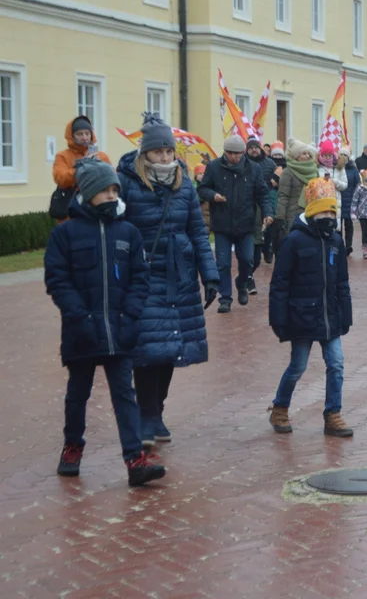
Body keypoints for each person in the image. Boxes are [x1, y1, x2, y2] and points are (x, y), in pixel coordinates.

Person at [45, 158, 166, 487]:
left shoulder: (128, 232)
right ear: (88, 192)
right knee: (77, 395)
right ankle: (72, 447)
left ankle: (134, 461)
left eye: (116, 189)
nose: (113, 194)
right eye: (105, 190)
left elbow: (140, 278)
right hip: (81, 331)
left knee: (125, 395)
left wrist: (129, 315)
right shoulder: (65, 234)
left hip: (120, 331)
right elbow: (57, 279)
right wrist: (78, 316)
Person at [117, 113, 219, 448]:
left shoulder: (184, 184)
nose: (164, 157)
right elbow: (118, 231)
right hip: (143, 276)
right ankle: (146, 417)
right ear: (145, 153)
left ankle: (157, 412)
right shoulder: (128, 183)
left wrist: (211, 275)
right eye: (158, 152)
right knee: (149, 348)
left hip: (180, 276)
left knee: (172, 346)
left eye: (168, 152)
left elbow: (198, 232)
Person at [268, 178, 353, 437]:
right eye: (325, 211)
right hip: (302, 315)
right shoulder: (294, 240)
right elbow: (279, 283)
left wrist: (345, 314)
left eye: (332, 212)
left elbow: (342, 281)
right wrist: (278, 318)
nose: (329, 216)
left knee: (336, 364)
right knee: (298, 366)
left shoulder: (336, 241)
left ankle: (333, 413)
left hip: (330, 316)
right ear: (313, 210)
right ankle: (280, 408)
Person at [197, 134, 273, 313]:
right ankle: (225, 298)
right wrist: (213, 196)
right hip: (222, 224)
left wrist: (268, 213)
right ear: (225, 152)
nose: (234, 157)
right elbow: (203, 188)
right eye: (230, 153)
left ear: (243, 152)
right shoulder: (214, 167)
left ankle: (242, 282)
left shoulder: (253, 169)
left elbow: (262, 193)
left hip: (246, 224)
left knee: (248, 259)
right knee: (223, 263)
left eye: (238, 153)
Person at [52, 116, 113, 223]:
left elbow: (114, 180)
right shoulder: (62, 156)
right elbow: (61, 179)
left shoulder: (102, 156)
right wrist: (83, 166)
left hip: (97, 209)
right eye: (80, 134)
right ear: (72, 136)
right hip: (71, 212)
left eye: (87, 133)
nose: (84, 137)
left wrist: (100, 168)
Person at [246, 138, 278, 292]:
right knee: (248, 249)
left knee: (260, 245)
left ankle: (266, 252)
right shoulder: (243, 164)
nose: (253, 150)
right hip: (246, 208)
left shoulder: (270, 164)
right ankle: (247, 278)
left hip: (264, 205)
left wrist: (272, 182)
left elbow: (275, 182)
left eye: (256, 147)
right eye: (250, 148)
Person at [276, 138, 319, 250]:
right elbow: (283, 196)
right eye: (303, 154)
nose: (307, 156)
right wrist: (280, 217)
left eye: (308, 153)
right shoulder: (288, 172)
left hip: (312, 213)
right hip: (293, 215)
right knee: (294, 246)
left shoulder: (314, 170)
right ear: (295, 156)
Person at [338, 146, 360, 255]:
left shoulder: (353, 169)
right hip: (338, 199)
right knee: (338, 224)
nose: (343, 157)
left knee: (348, 224)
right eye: (341, 155)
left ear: (348, 157)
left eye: (345, 155)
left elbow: (358, 183)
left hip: (350, 199)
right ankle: (339, 244)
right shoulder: (336, 168)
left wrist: (356, 198)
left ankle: (348, 245)